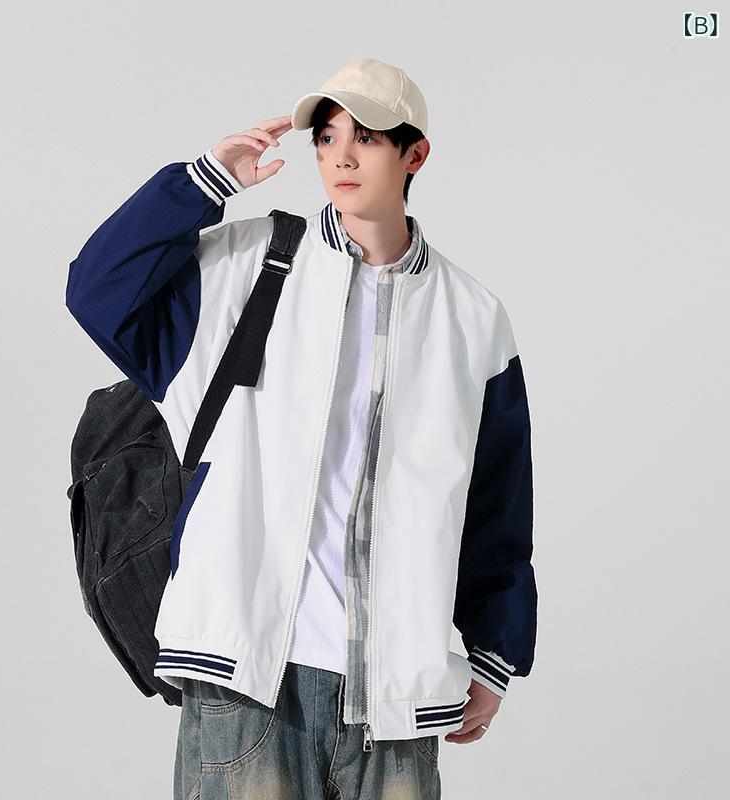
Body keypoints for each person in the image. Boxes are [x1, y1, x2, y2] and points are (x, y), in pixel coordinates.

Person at [66, 57, 537, 800]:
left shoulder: (473, 319)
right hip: (247, 685)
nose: (341, 156)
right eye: (326, 137)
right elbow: (98, 289)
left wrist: (493, 652)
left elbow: (496, 503)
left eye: (367, 137)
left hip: (396, 703)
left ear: (415, 154)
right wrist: (202, 183)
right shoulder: (246, 266)